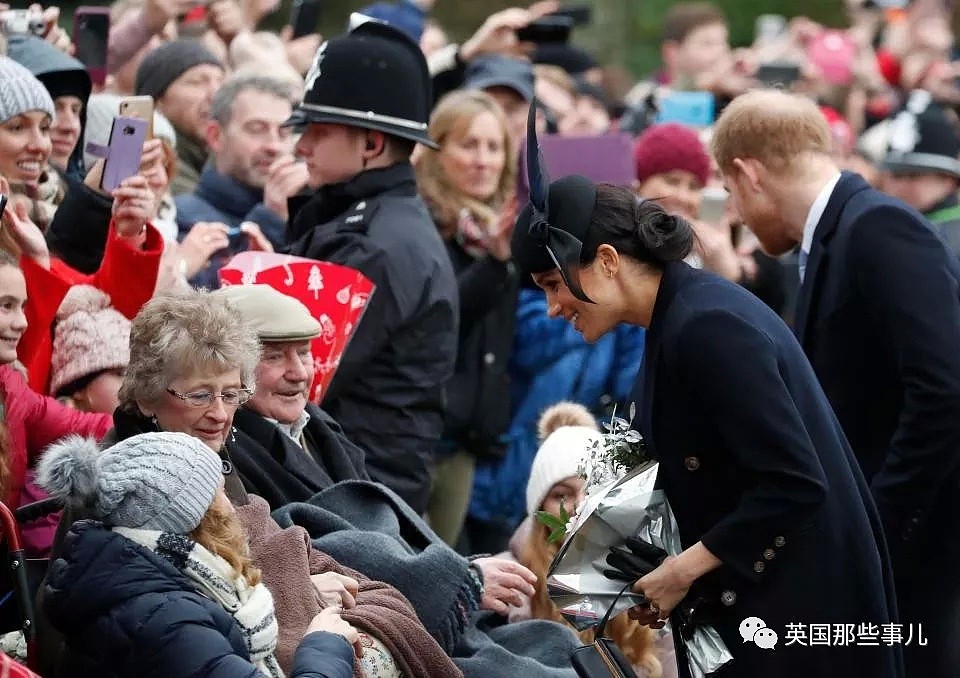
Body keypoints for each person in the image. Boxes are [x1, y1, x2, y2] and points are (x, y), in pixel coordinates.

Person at [508, 102, 903, 678]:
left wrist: (682, 570)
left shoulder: (705, 325)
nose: (551, 306)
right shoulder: (676, 321)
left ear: (610, 261)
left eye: (553, 284)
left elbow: (794, 484)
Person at [711, 89, 960, 678]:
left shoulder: (878, 227)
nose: (736, 215)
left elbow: (945, 385)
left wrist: (881, 519)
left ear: (748, 174)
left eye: (727, 192)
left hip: (920, 555)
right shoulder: (839, 234)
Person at [283, 21, 457, 513]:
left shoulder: (377, 248)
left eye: (317, 131)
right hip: (356, 488)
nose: (301, 147)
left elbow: (298, 376)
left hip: (362, 499)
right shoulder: (368, 224)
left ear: (372, 145)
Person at [39, 431, 360, 677]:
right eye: (218, 491)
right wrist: (325, 645)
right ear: (193, 516)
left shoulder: (146, 588)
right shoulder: (168, 621)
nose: (231, 504)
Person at [414, 89, 518, 546]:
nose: (483, 160)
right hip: (423, 435)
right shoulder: (421, 224)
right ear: (437, 152)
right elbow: (442, 319)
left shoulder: (500, 229)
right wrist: (494, 262)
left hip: (469, 441)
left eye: (494, 147)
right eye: (468, 145)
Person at [513, 402, 668, 678]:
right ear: (540, 511)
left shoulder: (658, 578)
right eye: (562, 495)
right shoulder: (515, 592)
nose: (581, 506)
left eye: (595, 488)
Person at [211, 284, 369, 510]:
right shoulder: (223, 449)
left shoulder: (319, 425)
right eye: (275, 357)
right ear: (226, 368)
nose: (300, 373)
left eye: (304, 353)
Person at [175, 74, 308, 288]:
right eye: (257, 129)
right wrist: (270, 220)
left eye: (284, 133)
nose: (273, 146)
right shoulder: (181, 218)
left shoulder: (306, 216)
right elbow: (211, 306)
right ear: (215, 136)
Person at [135, 39, 226, 195]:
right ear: (158, 102)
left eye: (222, 83)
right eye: (197, 82)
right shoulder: (153, 170)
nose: (216, 94)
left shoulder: (216, 160)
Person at [878, 90, 960, 258]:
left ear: (948, 180)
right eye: (896, 175)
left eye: (914, 175)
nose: (900, 186)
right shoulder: (881, 228)